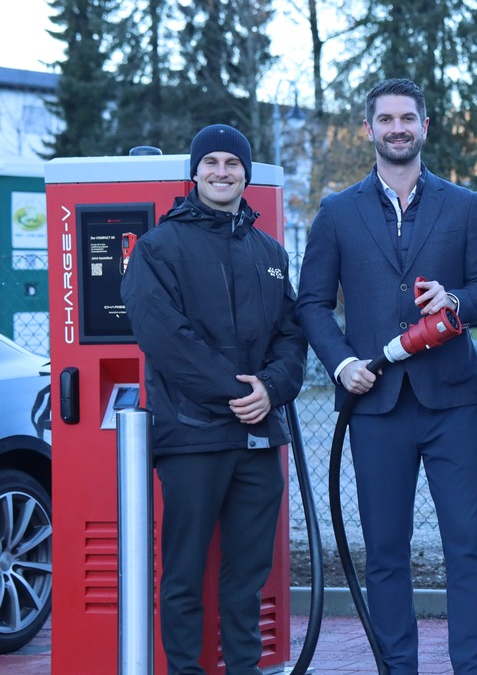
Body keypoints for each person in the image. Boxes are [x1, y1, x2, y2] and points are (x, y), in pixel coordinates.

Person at [295, 78, 477, 674]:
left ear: (424, 126)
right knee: (385, 552)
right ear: (369, 129)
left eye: (407, 117)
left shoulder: (465, 206)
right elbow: (312, 304)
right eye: (385, 119)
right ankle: (398, 668)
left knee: (468, 548)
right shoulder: (337, 212)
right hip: (374, 403)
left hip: (452, 402)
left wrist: (455, 298)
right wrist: (341, 364)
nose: (397, 128)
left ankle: (472, 668)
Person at [122, 123, 307, 675]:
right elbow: (164, 337)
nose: (222, 172)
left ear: (246, 174)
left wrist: (271, 388)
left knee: (246, 578)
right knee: (182, 574)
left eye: (233, 163)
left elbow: (291, 335)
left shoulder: (269, 251)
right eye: (212, 162)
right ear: (195, 172)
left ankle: (244, 669)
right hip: (191, 436)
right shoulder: (158, 247)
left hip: (257, 438)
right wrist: (241, 392)